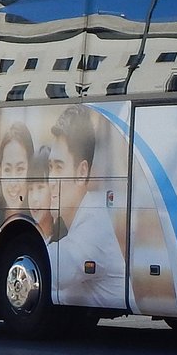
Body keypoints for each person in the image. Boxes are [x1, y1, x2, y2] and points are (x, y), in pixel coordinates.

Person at [49, 105, 126, 308]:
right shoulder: (88, 213)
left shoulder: (95, 224)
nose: (50, 180)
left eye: (58, 167)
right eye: (50, 168)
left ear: (82, 171)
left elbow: (51, 271)